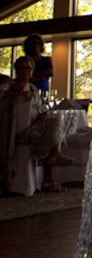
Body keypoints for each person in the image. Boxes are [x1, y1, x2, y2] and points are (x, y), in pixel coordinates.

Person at [0, 56, 73, 193]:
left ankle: (52, 162)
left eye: (29, 68)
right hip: (15, 129)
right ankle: (49, 173)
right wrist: (19, 93)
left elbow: (40, 108)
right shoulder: (8, 84)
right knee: (51, 130)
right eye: (22, 68)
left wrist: (43, 114)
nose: (26, 71)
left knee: (54, 122)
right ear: (16, 69)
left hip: (34, 126)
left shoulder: (33, 87)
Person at [23, 33, 54, 101]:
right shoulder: (25, 61)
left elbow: (51, 72)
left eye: (38, 43)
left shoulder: (47, 59)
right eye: (32, 44)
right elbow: (23, 76)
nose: (35, 46)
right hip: (28, 94)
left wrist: (34, 75)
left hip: (42, 94)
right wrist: (41, 76)